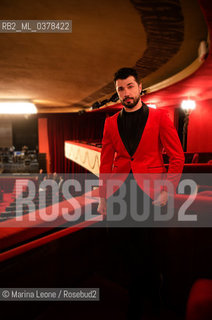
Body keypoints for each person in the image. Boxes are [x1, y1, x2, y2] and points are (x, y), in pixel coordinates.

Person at [97, 67, 185, 318]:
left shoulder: (160, 117)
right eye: (120, 89)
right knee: (124, 245)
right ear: (117, 93)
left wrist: (168, 190)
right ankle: (140, 291)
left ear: (140, 87)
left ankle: (149, 294)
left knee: (147, 247)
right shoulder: (110, 123)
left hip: (150, 193)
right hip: (119, 192)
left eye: (130, 86)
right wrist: (103, 197)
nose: (126, 93)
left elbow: (177, 156)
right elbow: (105, 162)